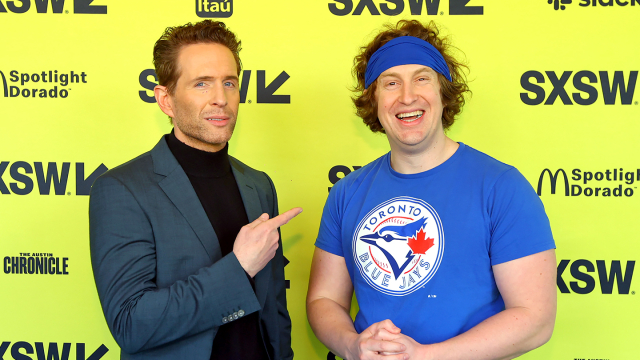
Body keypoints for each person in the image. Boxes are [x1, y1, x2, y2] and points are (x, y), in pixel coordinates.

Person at [307, 20, 556, 360]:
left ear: (443, 91)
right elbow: (325, 300)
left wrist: (425, 355)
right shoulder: (347, 193)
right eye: (390, 83)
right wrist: (352, 345)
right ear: (374, 100)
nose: (407, 96)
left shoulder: (502, 187)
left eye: (422, 78)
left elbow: (535, 319)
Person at [89, 20, 300, 360]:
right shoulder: (122, 189)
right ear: (166, 100)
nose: (221, 99)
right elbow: (130, 324)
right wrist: (238, 267)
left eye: (229, 83)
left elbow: (274, 314)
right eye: (202, 84)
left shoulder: (258, 185)